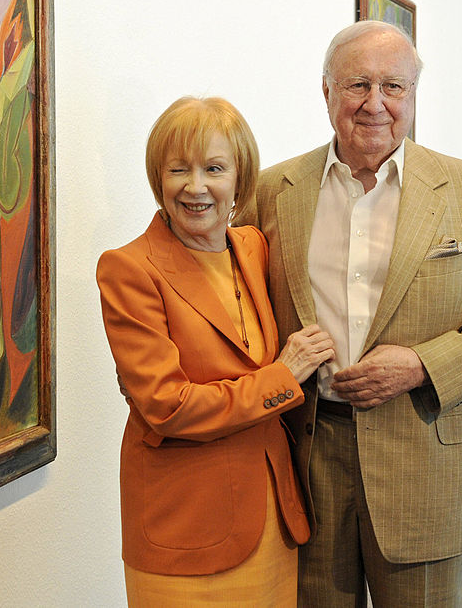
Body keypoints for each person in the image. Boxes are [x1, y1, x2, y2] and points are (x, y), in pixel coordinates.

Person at [236, 20, 462, 607]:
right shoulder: (272, 191)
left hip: (423, 456)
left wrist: (422, 364)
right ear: (326, 92)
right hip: (309, 459)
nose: (375, 104)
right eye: (357, 85)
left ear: (414, 96)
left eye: (393, 87)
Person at [97, 96, 335, 606]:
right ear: (158, 178)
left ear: (239, 179)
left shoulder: (252, 246)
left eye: (214, 168)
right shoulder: (129, 269)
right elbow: (167, 406)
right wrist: (283, 376)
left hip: (272, 515)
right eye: (178, 169)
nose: (196, 186)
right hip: (187, 524)